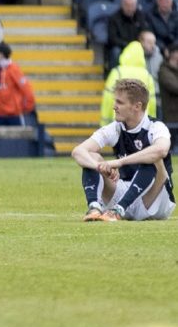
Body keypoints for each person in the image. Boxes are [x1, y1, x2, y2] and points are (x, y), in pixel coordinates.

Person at [71, 78, 174, 222]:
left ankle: (118, 210)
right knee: (91, 157)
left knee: (152, 157)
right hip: (124, 192)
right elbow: (78, 151)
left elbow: (161, 150)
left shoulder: (155, 127)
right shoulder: (116, 128)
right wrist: (100, 167)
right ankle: (94, 207)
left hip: (154, 199)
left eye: (120, 102)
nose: (114, 106)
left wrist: (119, 163)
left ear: (137, 106)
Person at [101, 40, 157, 125]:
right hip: (140, 123)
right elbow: (152, 102)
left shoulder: (117, 72)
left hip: (118, 121)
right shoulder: (147, 76)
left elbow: (108, 99)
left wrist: (104, 123)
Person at [0, 42, 36, 126]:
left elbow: (26, 89)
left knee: (18, 138)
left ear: (1, 54)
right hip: (0, 114)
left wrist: (26, 107)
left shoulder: (13, 69)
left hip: (14, 115)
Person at [108, 0, 148, 67]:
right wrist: (128, 45)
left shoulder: (141, 16)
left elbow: (144, 32)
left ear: (136, 6)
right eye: (127, 5)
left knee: (154, 49)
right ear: (122, 5)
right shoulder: (114, 18)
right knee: (115, 52)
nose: (129, 8)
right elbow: (112, 38)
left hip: (138, 45)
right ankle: (115, 74)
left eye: (132, 5)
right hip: (122, 46)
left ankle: (150, 75)